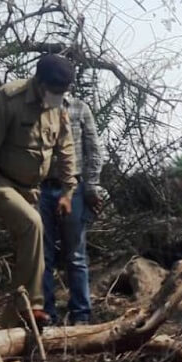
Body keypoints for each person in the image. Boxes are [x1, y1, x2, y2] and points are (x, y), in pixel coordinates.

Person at [0, 54, 77, 328]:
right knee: (33, 224)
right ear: (38, 82)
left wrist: (68, 191)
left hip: (31, 190)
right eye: (53, 90)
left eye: (61, 92)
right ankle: (32, 306)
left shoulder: (58, 105)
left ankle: (11, 320)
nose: (57, 96)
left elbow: (66, 149)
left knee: (34, 244)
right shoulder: (9, 98)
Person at [40, 94, 104, 325]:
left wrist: (91, 186)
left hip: (73, 188)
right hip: (42, 189)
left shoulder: (79, 108)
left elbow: (93, 149)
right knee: (42, 256)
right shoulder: (36, 108)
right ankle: (46, 315)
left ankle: (81, 315)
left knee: (75, 255)